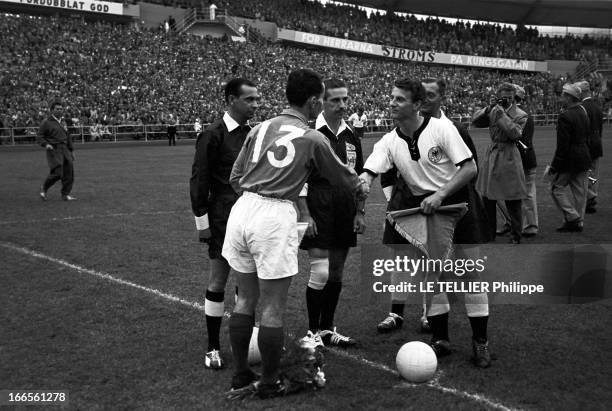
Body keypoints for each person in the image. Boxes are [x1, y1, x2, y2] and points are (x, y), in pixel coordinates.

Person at [222, 69, 365, 398]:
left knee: (245, 299)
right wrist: (362, 178)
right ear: (315, 101)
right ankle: (270, 382)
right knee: (272, 306)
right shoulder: (312, 137)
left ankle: (241, 374)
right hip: (274, 215)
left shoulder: (259, 128)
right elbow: (345, 179)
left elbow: (235, 177)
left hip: (242, 209)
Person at [360, 78, 490, 368]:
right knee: (434, 279)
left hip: (460, 208)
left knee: (469, 276)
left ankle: (480, 342)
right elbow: (375, 163)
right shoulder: (390, 140)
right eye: (392, 97)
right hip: (428, 215)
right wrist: (364, 180)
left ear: (417, 105)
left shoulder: (444, 129)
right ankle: (441, 339)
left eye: (399, 99)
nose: (392, 103)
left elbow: (470, 167)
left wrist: (441, 194)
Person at [190, 78, 260, 370]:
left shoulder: (256, 134)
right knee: (218, 280)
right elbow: (199, 182)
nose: (256, 104)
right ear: (232, 99)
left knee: (247, 283)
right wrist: (202, 224)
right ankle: (212, 346)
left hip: (252, 216)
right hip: (222, 218)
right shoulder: (213, 135)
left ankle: (244, 340)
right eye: (250, 100)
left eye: (257, 99)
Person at [298, 78, 365, 348]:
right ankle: (312, 331)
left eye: (345, 99)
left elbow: (358, 176)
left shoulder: (351, 135)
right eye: (335, 100)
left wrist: (360, 212)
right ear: (322, 102)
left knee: (336, 272)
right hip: (318, 205)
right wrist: (304, 213)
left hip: (345, 208)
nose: (342, 105)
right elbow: (299, 176)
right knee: (321, 272)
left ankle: (327, 328)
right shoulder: (310, 133)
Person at [473, 83, 528, 244]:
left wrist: (501, 114)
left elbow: (515, 134)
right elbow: (476, 121)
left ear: (514, 97)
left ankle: (516, 234)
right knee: (487, 197)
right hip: (493, 155)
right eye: (504, 97)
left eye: (510, 98)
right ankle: (489, 233)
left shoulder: (520, 114)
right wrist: (488, 109)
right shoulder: (494, 109)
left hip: (509, 155)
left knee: (513, 198)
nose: (507, 100)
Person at [546, 83, 591, 232]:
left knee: (555, 188)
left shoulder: (565, 116)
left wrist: (555, 165)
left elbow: (563, 146)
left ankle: (573, 217)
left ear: (570, 98)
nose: (561, 98)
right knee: (580, 192)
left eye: (564, 95)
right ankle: (578, 223)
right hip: (584, 155)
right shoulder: (583, 111)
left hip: (570, 159)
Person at [497, 84, 538, 237]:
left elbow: (518, 139)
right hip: (526, 159)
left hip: (519, 160)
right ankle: (526, 225)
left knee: (506, 193)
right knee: (527, 195)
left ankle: (521, 224)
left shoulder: (518, 114)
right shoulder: (523, 113)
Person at [37, 100, 76, 201]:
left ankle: (65, 194)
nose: (59, 111)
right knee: (58, 172)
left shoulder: (63, 122)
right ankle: (44, 188)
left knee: (69, 172)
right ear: (52, 110)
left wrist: (71, 151)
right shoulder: (46, 122)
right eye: (57, 109)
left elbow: (68, 136)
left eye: (61, 109)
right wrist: (46, 144)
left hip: (65, 149)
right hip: (54, 149)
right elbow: (40, 136)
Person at [575, 80, 603, 214]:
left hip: (586, 145)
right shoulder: (597, 106)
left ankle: (590, 198)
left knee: (584, 175)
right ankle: (591, 200)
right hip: (597, 144)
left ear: (583, 92)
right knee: (594, 174)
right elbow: (600, 128)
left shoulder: (582, 107)